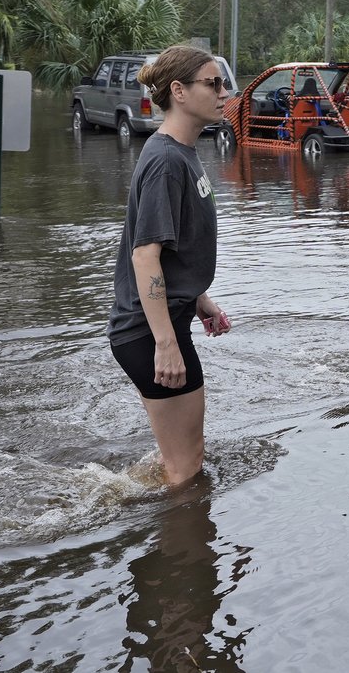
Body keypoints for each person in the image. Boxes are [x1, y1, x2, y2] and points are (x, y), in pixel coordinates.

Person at [108, 45, 232, 486]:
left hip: (163, 323)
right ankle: (185, 551)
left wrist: (200, 299)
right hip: (148, 332)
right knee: (187, 468)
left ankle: (133, 502)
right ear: (179, 91)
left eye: (223, 83)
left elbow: (174, 250)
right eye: (212, 83)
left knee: (181, 459)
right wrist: (165, 342)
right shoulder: (165, 161)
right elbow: (145, 256)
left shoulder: (182, 153)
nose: (224, 93)